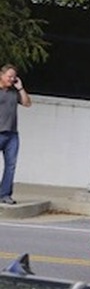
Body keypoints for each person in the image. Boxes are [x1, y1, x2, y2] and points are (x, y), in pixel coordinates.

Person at [0, 64, 32, 205]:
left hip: (12, 134)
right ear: (1, 75)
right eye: (9, 76)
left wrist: (20, 88)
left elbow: (27, 103)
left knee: (10, 166)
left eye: (14, 76)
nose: (12, 79)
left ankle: (5, 194)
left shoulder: (14, 92)